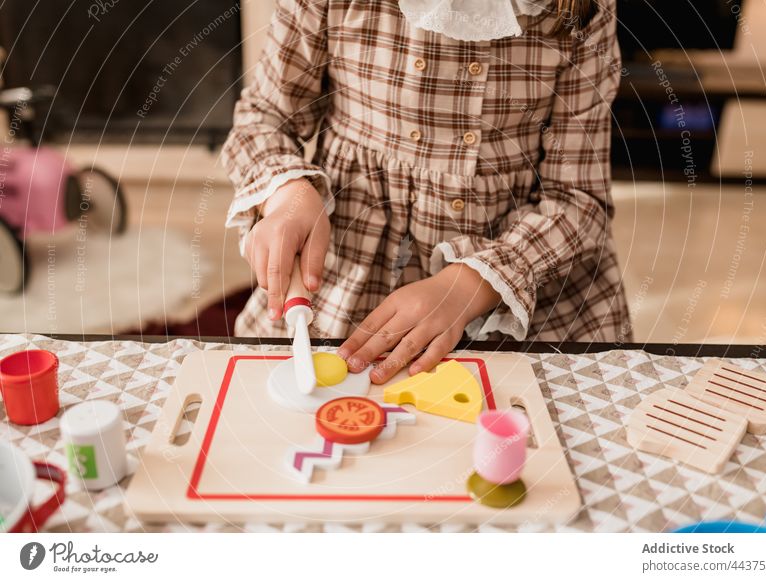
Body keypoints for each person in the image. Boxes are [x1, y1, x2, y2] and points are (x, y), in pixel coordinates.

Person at [222, 0, 630, 384]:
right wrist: (287, 193)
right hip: (344, 283)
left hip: (515, 300)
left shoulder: (579, 10)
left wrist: (470, 287)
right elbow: (265, 117)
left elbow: (579, 199)